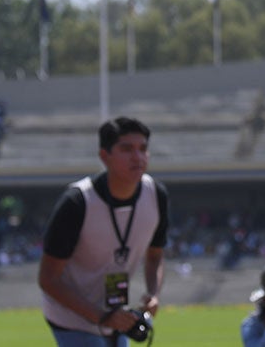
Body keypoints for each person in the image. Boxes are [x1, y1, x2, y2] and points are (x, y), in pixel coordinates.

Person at [38, 116, 170, 346]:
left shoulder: (155, 195)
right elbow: (48, 279)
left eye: (143, 149)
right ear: (104, 156)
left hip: (116, 316)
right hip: (72, 318)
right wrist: (102, 317)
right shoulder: (77, 203)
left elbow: (156, 255)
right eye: (126, 149)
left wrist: (153, 293)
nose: (137, 157)